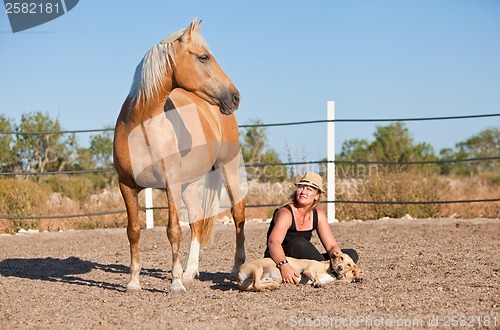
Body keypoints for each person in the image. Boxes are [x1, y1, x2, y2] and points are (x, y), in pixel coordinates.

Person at [264, 172, 364, 284]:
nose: (303, 192)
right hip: (281, 258)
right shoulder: (286, 213)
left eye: (309, 189)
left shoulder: (318, 214)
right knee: (300, 244)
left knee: (351, 254)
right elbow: (273, 242)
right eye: (301, 187)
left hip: (304, 260)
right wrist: (284, 265)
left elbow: (331, 246)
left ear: (317, 196)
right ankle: (335, 274)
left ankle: (336, 271)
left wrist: (343, 262)